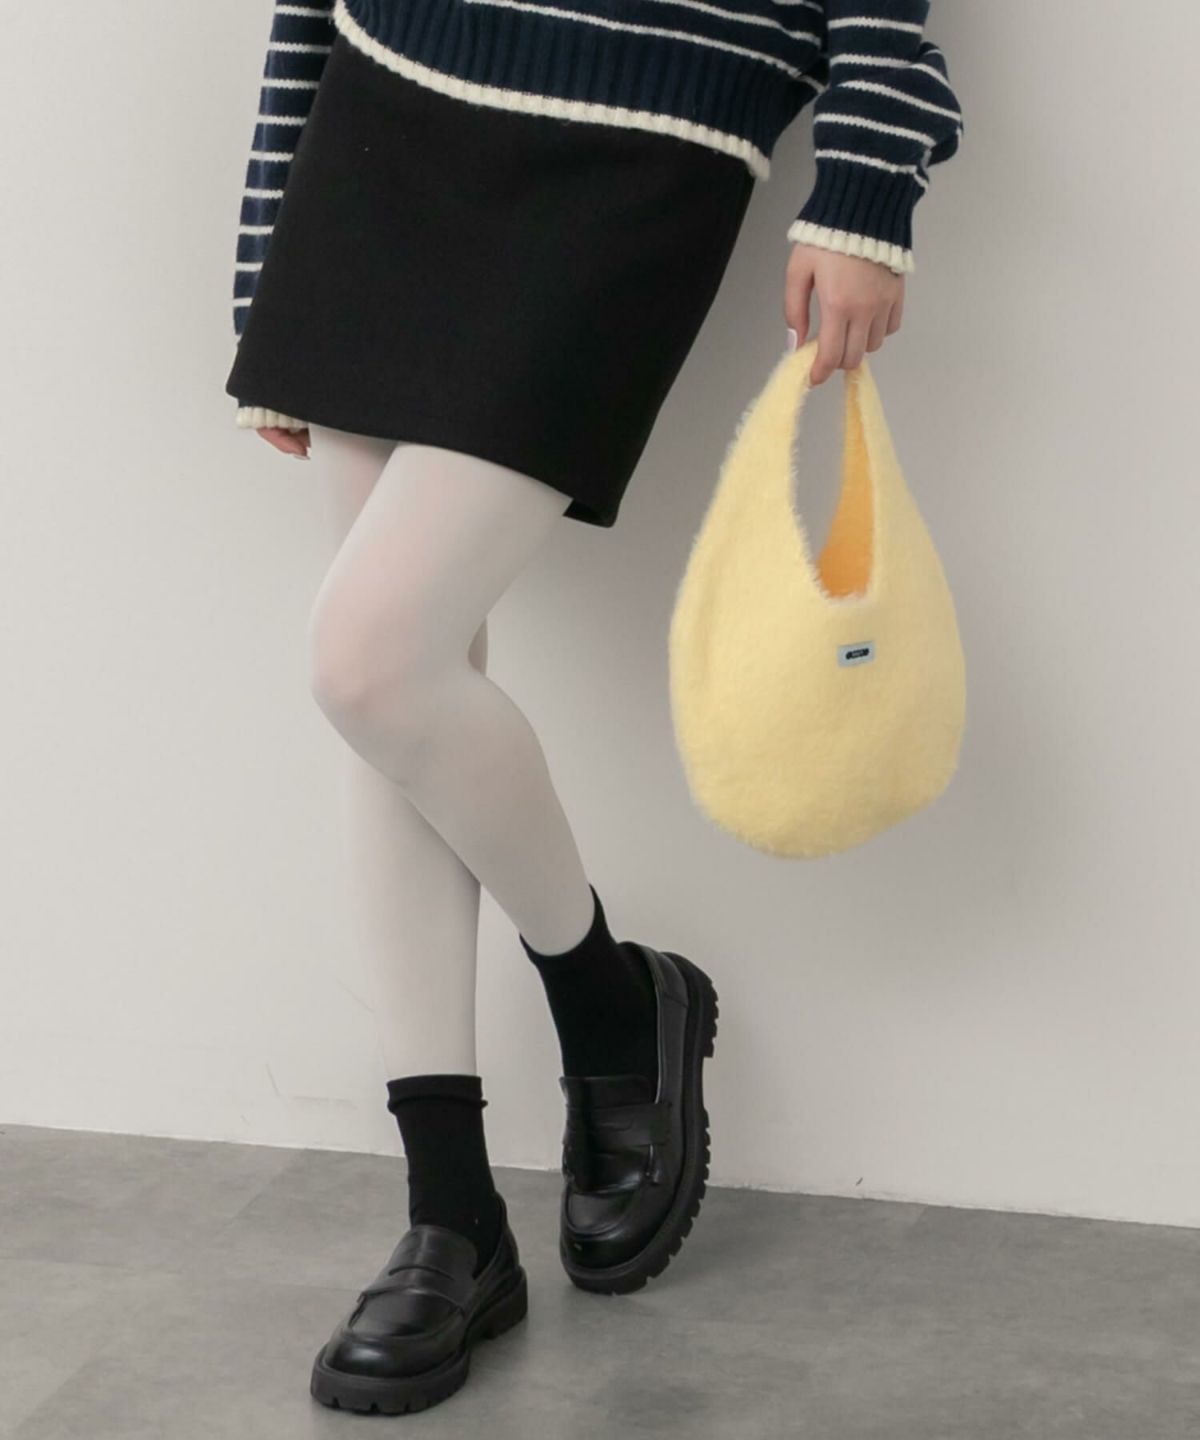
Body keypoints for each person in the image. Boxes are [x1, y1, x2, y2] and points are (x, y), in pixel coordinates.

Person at [223, 0, 962, 1415]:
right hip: (382, 114)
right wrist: (270, 235)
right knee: (396, 690)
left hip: (645, 131)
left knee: (372, 660)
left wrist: (868, 186)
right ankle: (451, 1213)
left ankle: (608, 1002)